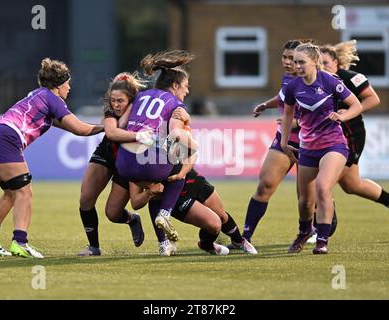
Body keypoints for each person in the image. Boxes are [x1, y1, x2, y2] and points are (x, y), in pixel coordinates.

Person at [0, 58, 104, 258]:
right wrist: (108, 128)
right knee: (24, 193)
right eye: (67, 83)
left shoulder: (37, 95)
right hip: (5, 138)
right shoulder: (54, 99)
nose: (69, 87)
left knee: (11, 193)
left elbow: (67, 125)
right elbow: (80, 129)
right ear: (59, 85)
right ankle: (20, 242)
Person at [239, 39, 339, 247]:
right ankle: (244, 238)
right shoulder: (289, 79)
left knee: (305, 200)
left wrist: (298, 121)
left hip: (311, 143)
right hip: (285, 140)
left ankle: (316, 225)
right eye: (284, 57)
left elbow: (332, 108)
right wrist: (266, 105)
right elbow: (285, 97)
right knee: (265, 184)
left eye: (291, 58)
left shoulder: (326, 80)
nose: (287, 62)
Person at [281, 43, 363, 254]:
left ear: (315, 62)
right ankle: (303, 232)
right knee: (305, 201)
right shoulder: (293, 86)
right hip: (308, 147)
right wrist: (284, 141)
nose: (296, 66)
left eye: (301, 62)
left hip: (334, 144)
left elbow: (356, 105)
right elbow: (288, 113)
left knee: (323, 188)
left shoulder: (329, 81)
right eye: (295, 62)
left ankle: (322, 240)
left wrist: (342, 115)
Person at [319, 40, 389, 231]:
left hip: (351, 136)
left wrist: (349, 112)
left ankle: (321, 228)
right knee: (352, 185)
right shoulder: (316, 82)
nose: (322, 67)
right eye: (318, 63)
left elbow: (373, 99)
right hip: (329, 138)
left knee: (323, 182)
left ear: (336, 63)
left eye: (325, 63)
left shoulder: (350, 78)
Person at [116, 50, 198, 242]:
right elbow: (176, 134)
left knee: (155, 185)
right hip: (149, 163)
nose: (186, 91)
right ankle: (165, 214)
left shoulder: (140, 96)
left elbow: (120, 126)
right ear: (175, 85)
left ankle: (164, 245)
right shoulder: (175, 103)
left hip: (124, 163)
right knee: (177, 170)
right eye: (185, 86)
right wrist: (193, 147)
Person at [77, 72, 154, 256]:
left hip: (128, 161)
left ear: (131, 99)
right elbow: (111, 133)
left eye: (120, 101)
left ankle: (132, 220)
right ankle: (94, 247)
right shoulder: (111, 111)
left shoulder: (142, 110)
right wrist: (137, 135)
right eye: (113, 100)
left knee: (112, 214)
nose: (115, 105)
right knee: (86, 198)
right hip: (107, 154)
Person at [129, 169, 257, 256]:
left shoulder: (174, 134)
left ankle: (239, 241)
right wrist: (149, 191)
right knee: (215, 224)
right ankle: (206, 245)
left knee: (222, 215)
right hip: (175, 195)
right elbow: (136, 202)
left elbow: (191, 152)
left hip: (191, 179)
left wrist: (183, 171)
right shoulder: (137, 157)